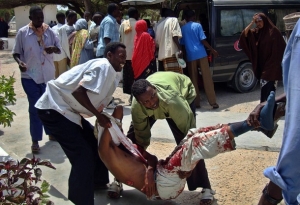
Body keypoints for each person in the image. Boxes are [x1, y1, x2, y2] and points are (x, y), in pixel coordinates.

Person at [96, 90, 279, 201]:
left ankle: (257, 124)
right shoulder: (106, 152)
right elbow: (110, 121)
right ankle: (255, 124)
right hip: (162, 187)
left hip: (163, 173)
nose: (119, 126)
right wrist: (99, 114)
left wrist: (150, 171)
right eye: (115, 126)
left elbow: (150, 157)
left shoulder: (124, 145)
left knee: (194, 134)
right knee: (195, 144)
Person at [35, 42, 127, 205]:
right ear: (109, 55)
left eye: (125, 57)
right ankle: (79, 201)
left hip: (69, 111)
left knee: (94, 142)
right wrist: (99, 116)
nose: (123, 60)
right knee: (82, 155)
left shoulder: (112, 73)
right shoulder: (103, 67)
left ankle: (97, 182)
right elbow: (79, 92)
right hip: (54, 108)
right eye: (120, 56)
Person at [126, 72, 215, 205]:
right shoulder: (137, 108)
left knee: (191, 144)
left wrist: (184, 165)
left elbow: (190, 136)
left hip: (182, 92)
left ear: (155, 90)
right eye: (146, 102)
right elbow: (142, 138)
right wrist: (146, 165)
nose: (152, 102)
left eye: (153, 96)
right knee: (132, 142)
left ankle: (206, 187)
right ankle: (121, 179)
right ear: (139, 102)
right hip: (158, 95)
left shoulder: (173, 101)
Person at [248, 12, 300, 205]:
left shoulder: (276, 35)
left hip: (271, 70)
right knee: (268, 103)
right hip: (264, 71)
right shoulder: (260, 33)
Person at [12, 5, 61, 153]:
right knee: (35, 108)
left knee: (47, 106)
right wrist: (20, 62)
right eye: (37, 18)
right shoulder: (22, 33)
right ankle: (35, 140)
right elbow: (16, 53)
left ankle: (50, 132)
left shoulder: (49, 31)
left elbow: (58, 49)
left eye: (42, 17)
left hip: (47, 76)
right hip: (30, 77)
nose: (40, 20)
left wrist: (52, 48)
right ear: (30, 18)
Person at [239, 13, 286, 103]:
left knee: (270, 92)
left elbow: (281, 47)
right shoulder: (258, 32)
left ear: (264, 20)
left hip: (272, 67)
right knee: (264, 93)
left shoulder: (274, 32)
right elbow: (244, 35)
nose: (258, 24)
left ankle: (268, 112)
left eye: (259, 21)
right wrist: (252, 22)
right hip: (263, 65)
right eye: (256, 22)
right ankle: (266, 112)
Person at [180, 10, 219, 109]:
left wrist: (184, 57)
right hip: (201, 54)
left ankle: (196, 103)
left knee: (194, 80)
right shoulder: (198, 26)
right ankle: (213, 102)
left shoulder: (182, 29)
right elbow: (203, 40)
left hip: (190, 56)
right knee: (207, 78)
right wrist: (212, 50)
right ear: (193, 16)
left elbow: (182, 44)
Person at [119, 7, 139, 104]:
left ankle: (130, 95)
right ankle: (134, 96)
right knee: (136, 76)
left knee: (128, 77)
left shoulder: (123, 24)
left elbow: (121, 38)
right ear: (135, 14)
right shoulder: (138, 24)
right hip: (136, 55)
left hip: (125, 55)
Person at [155, 9, 183, 74]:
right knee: (176, 75)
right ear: (171, 13)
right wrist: (180, 49)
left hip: (164, 56)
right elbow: (175, 35)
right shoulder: (174, 20)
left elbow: (157, 42)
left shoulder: (159, 25)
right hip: (173, 53)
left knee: (169, 76)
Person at [52, 12, 70, 78]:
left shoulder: (52, 28)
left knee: (56, 75)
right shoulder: (64, 28)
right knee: (62, 76)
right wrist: (69, 56)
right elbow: (65, 44)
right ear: (63, 18)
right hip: (62, 55)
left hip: (54, 56)